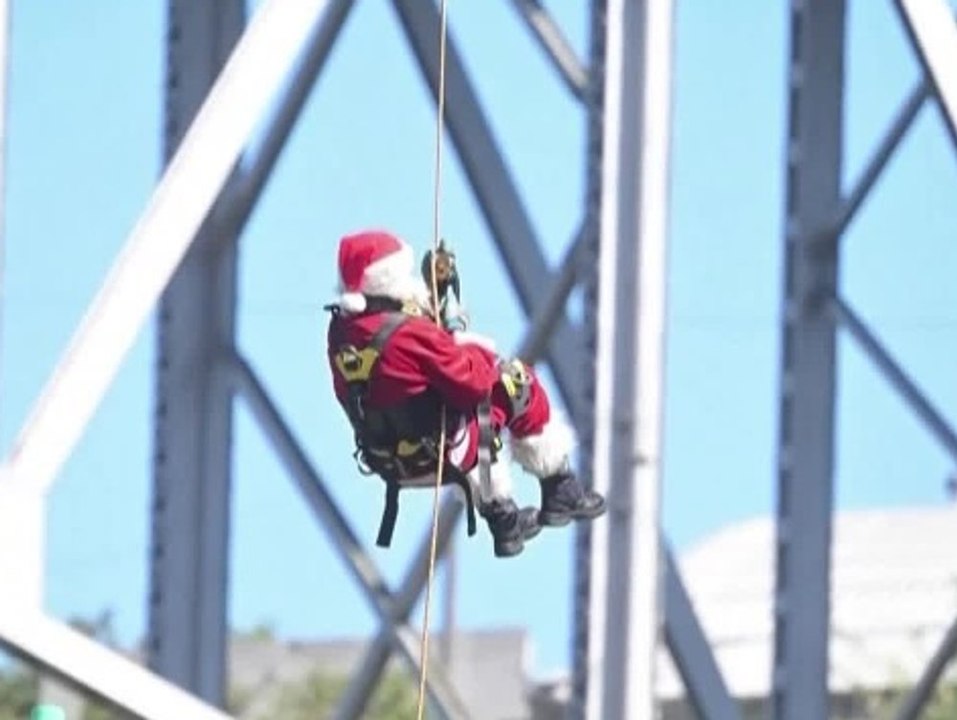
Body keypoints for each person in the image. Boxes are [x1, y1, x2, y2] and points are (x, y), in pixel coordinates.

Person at [325, 229, 605, 558]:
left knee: (459, 415)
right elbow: (473, 384)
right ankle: (559, 486)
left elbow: (395, 370)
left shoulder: (340, 334)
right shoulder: (411, 334)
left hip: (390, 462)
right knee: (516, 384)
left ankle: (505, 522)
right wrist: (468, 343)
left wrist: (432, 318)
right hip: (443, 454)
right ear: (389, 278)